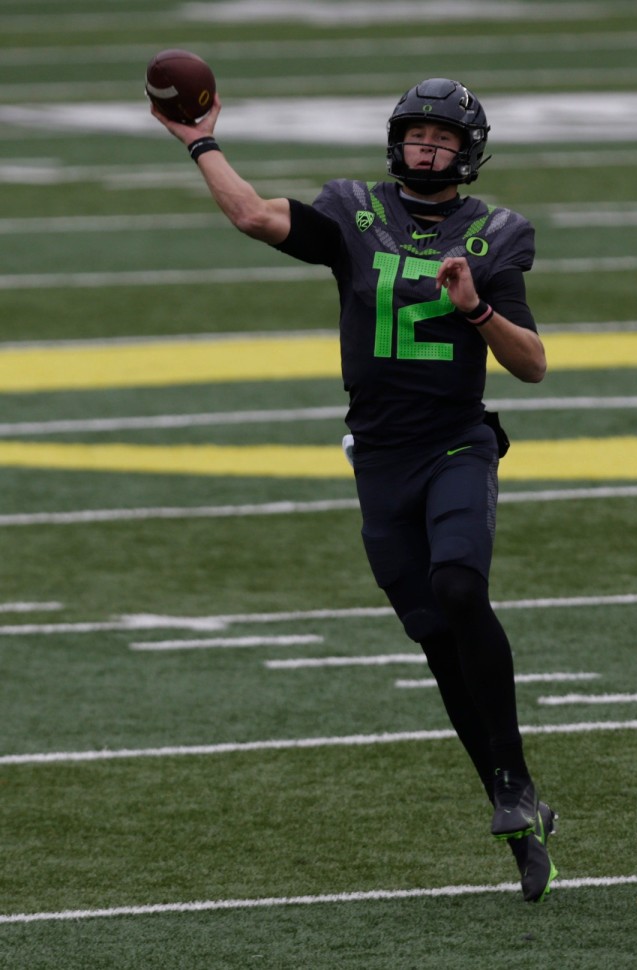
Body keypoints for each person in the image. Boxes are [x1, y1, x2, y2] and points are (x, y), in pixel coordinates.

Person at [151, 77, 557, 903]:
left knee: (459, 584)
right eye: (417, 134)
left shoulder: (496, 234)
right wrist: (198, 141)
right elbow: (255, 216)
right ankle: (514, 806)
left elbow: (533, 365)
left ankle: (514, 776)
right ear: (396, 139)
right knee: (435, 637)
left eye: (444, 138)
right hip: (379, 456)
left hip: (456, 442)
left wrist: (477, 309)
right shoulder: (352, 213)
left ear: (468, 151)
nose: (428, 148)